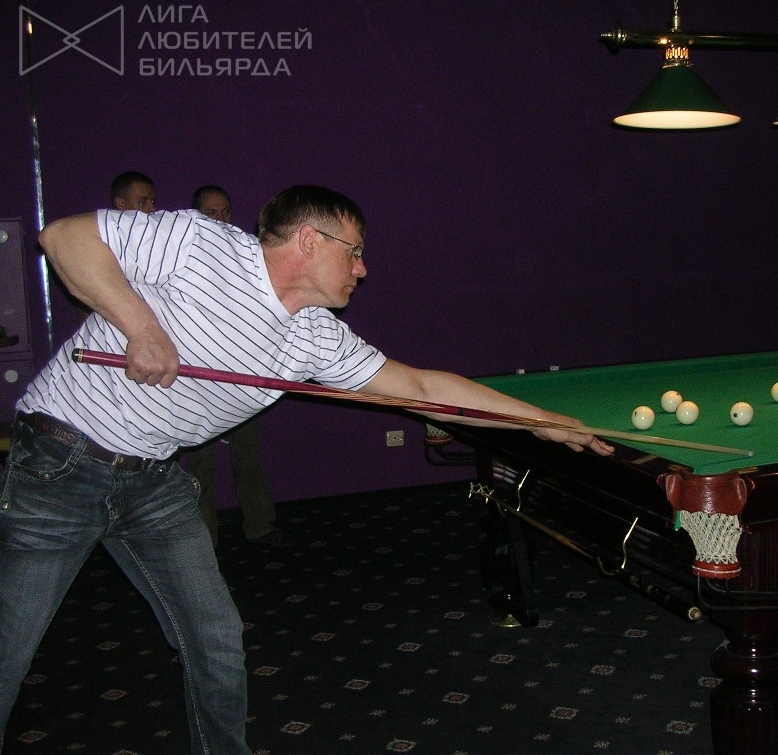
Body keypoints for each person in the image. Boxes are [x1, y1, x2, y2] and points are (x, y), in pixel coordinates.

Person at [0, 185, 613, 754]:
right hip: (60, 463)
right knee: (9, 651)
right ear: (310, 240)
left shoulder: (316, 338)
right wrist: (142, 328)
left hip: (152, 482)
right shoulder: (200, 242)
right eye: (356, 252)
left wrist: (540, 421)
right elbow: (64, 237)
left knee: (216, 643)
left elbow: (422, 387)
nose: (363, 269)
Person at [186, 185, 292, 547]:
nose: (220, 219)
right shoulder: (186, 255)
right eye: (211, 212)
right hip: (199, 380)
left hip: (242, 378)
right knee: (201, 467)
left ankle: (260, 526)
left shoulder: (250, 257)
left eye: (226, 211)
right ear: (197, 215)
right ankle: (205, 542)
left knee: (249, 459)